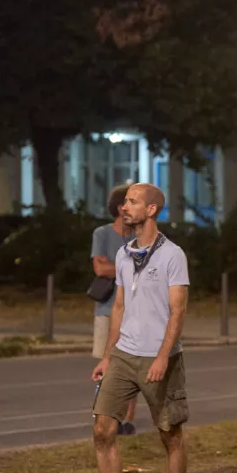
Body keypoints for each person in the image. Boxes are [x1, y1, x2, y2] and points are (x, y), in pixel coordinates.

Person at [83, 183, 191, 473]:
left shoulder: (172, 255)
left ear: (152, 210)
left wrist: (162, 356)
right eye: (125, 201)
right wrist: (107, 355)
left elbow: (178, 312)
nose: (124, 207)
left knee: (170, 435)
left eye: (132, 202)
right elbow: (118, 307)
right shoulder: (124, 253)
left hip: (160, 357)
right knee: (103, 429)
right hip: (124, 355)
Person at [91, 184, 137, 435]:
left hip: (135, 309)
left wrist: (115, 266)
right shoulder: (101, 234)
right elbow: (100, 269)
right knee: (107, 365)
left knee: (131, 366)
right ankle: (106, 414)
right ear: (121, 207)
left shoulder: (140, 235)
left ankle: (127, 419)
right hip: (107, 308)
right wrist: (131, 266)